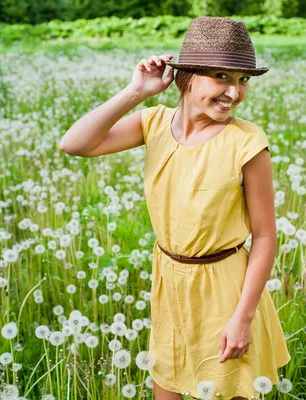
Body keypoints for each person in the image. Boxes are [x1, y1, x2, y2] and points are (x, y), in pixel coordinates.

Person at [60, 16, 290, 400]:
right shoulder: (152, 124)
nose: (234, 92)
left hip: (226, 291)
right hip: (169, 282)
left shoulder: (248, 142)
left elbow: (265, 236)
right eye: (221, 76)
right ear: (185, 78)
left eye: (243, 80)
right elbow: (75, 144)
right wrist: (136, 92)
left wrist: (243, 318)